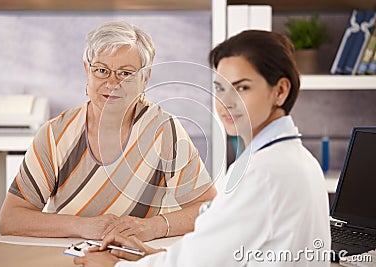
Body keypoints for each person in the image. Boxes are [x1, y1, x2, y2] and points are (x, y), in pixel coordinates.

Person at [73, 30, 331, 266]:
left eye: (242, 87)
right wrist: (152, 256)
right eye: (220, 88)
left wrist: (116, 266)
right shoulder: (298, 160)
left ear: (281, 91)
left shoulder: (264, 173)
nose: (226, 103)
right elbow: (220, 253)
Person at [0, 21, 217, 241]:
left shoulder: (164, 131)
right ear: (87, 70)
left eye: (125, 73)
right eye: (102, 70)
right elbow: (11, 218)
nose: (112, 83)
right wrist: (83, 226)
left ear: (145, 78)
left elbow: (208, 208)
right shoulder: (54, 134)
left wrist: (153, 227)